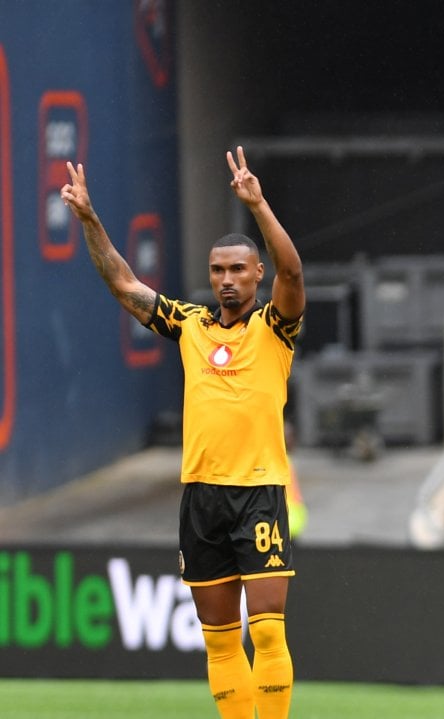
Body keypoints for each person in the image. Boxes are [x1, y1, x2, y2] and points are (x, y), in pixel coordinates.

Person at [62, 148, 302, 719]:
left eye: (237, 269)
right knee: (220, 640)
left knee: (267, 634)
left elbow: (293, 273)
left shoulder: (275, 328)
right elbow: (123, 283)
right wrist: (91, 220)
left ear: (255, 274)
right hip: (201, 494)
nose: (225, 279)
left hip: (259, 490)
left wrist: (259, 205)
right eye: (217, 269)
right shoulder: (190, 325)